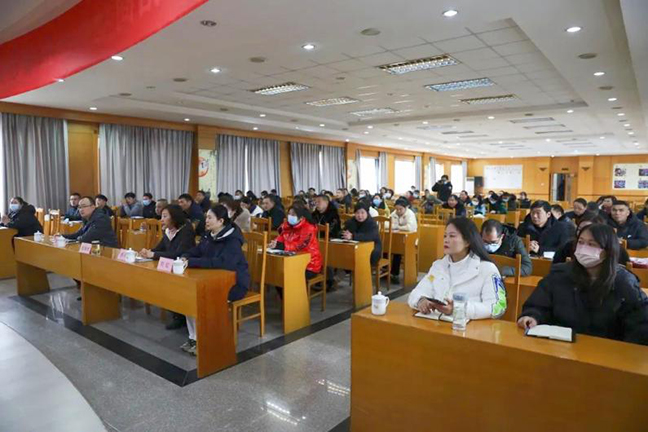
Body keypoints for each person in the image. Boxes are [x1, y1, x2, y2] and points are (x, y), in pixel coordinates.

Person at [518, 224, 648, 346]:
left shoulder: (624, 282)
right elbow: (538, 304)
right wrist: (532, 316)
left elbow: (641, 323)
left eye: (591, 244)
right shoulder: (560, 274)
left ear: (607, 250)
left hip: (606, 349)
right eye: (580, 242)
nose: (584, 248)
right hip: (561, 345)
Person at [179, 205, 249, 355]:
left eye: (210, 218)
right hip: (211, 280)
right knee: (189, 297)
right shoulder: (209, 235)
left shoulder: (232, 240)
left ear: (221, 221)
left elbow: (223, 263)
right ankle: (194, 338)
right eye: (206, 217)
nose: (206, 220)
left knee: (201, 298)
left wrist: (192, 262)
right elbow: (197, 251)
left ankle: (206, 341)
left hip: (234, 284)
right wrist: (185, 256)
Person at [408, 217, 507, 320]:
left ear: (467, 241)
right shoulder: (438, 266)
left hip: (470, 327)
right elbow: (417, 292)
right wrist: (421, 301)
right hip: (437, 324)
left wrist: (458, 309)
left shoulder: (487, 269)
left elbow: (498, 307)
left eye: (452, 236)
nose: (446, 240)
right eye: (445, 236)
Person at [139, 204, 196, 330]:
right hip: (171, 267)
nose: (162, 219)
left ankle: (180, 317)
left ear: (174, 217)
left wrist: (154, 254)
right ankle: (176, 314)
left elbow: (178, 254)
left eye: (165, 216)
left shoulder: (185, 230)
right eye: (161, 216)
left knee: (171, 283)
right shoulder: (169, 230)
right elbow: (160, 248)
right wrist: (148, 252)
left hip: (186, 267)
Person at [553, 212, 630, 265]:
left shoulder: (615, 249)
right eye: (580, 229)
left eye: (589, 230)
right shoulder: (568, 246)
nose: (583, 233)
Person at [269, 205, 322, 280]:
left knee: (287, 276)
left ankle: (296, 288)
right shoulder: (287, 225)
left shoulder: (308, 227)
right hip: (292, 260)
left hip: (309, 265)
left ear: (301, 217)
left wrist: (281, 246)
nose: (290, 216)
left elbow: (300, 245)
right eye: (289, 214)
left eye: (293, 214)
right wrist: (275, 243)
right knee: (276, 271)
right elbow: (281, 237)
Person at [390, 198, 418, 283]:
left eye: (400, 209)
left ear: (406, 207)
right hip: (398, 239)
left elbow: (410, 228)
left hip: (411, 239)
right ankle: (386, 272)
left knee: (397, 252)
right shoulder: (394, 213)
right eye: (397, 209)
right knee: (387, 249)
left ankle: (395, 274)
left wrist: (397, 227)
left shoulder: (410, 214)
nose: (398, 211)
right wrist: (397, 227)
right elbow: (387, 223)